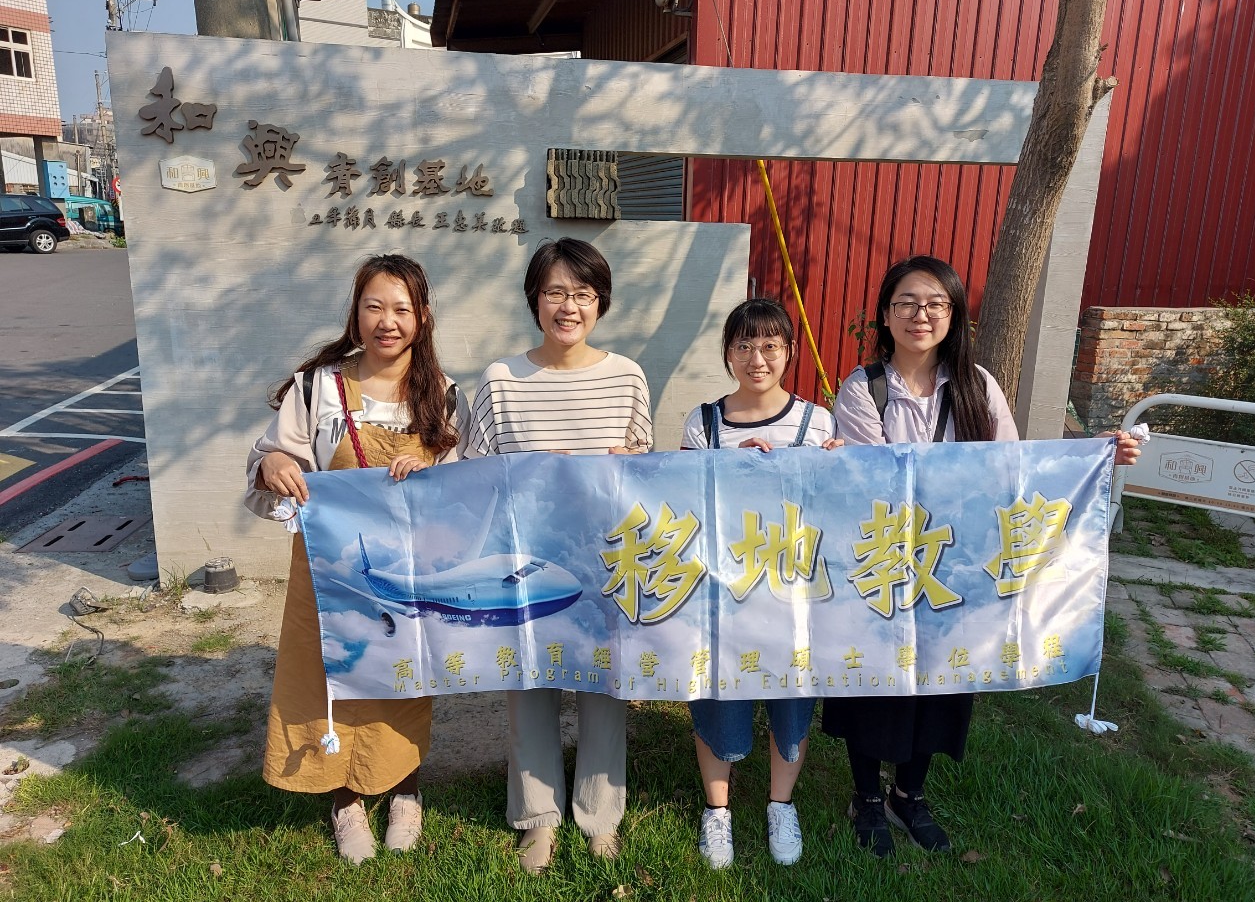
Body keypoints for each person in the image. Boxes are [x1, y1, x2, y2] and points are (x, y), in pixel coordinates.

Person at [824, 254, 1141, 858]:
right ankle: (866, 796)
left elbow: (1012, 470)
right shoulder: (864, 389)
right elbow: (872, 479)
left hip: (956, 566)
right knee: (872, 681)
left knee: (942, 679)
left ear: (954, 315)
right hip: (884, 563)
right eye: (906, 303)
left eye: (935, 304)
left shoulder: (978, 385)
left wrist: (1092, 453)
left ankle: (909, 793)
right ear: (885, 315)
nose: (920, 315)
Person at [245, 253, 470, 865]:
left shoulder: (444, 395)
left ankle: (404, 789)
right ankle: (343, 798)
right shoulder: (316, 387)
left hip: (406, 572)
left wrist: (431, 474)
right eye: (374, 307)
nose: (387, 322)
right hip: (329, 570)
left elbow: (463, 488)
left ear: (423, 317)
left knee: (404, 675)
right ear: (356, 313)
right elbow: (270, 458)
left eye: (401, 309)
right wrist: (275, 463)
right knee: (332, 675)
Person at [465, 237, 652, 874]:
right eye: (554, 293)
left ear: (601, 303)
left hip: (604, 559)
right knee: (531, 686)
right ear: (534, 300)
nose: (568, 307)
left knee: (605, 683)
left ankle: (601, 815)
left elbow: (642, 468)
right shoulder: (500, 380)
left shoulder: (627, 376)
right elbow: (476, 474)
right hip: (524, 559)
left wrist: (628, 466)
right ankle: (537, 818)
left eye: (582, 294)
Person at [680, 298, 843, 869]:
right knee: (716, 694)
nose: (758, 359)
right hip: (720, 593)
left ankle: (781, 804)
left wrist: (835, 466)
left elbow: (830, 507)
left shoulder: (816, 422)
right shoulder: (703, 422)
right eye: (744, 346)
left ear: (790, 352)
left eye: (771, 346)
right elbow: (685, 505)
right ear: (727, 353)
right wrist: (732, 471)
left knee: (792, 699)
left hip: (795, 592)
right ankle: (717, 811)